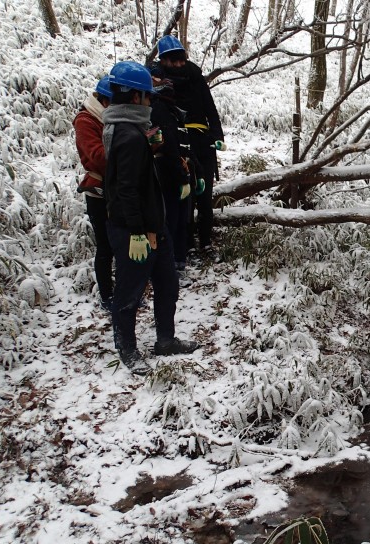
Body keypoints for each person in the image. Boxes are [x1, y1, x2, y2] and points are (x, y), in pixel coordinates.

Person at [103, 60, 198, 375]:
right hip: (136, 231)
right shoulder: (128, 137)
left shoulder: (132, 131)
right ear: (134, 98)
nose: (151, 101)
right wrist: (137, 233)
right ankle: (127, 349)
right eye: (148, 96)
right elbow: (125, 190)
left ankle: (165, 340)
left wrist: (154, 148)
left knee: (168, 284)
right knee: (129, 292)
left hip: (155, 224)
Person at [151, 35, 226, 255]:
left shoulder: (194, 76)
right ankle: (185, 243)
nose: (178, 65)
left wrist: (217, 135)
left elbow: (209, 107)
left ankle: (205, 240)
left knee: (205, 193)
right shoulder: (158, 81)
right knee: (184, 195)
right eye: (173, 61)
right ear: (164, 60)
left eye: (180, 60)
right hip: (177, 144)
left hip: (202, 141)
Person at [149, 78, 204, 286]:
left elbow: (185, 145)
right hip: (168, 176)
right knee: (171, 222)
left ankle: (179, 264)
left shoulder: (175, 112)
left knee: (182, 221)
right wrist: (182, 177)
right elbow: (169, 148)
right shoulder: (159, 111)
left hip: (182, 174)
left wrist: (195, 173)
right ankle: (168, 269)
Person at [73, 75, 114, 311]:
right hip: (99, 191)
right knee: (105, 246)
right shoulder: (86, 120)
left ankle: (121, 291)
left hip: (116, 188)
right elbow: (97, 156)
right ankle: (107, 295)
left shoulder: (105, 118)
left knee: (119, 243)